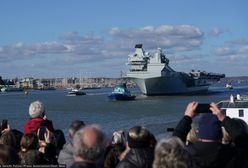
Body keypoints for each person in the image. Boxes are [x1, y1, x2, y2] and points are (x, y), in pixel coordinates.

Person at [173, 102, 234, 168]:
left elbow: (173, 146)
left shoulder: (187, 155)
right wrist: (224, 119)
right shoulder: (231, 153)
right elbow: (242, 139)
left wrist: (187, 117)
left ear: (199, 133)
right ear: (220, 134)